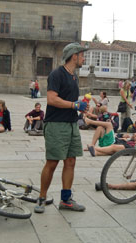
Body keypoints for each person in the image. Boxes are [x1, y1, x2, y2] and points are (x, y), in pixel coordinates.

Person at [34, 42, 88, 213]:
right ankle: (42, 198)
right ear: (74, 56)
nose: (83, 58)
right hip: (56, 124)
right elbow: (51, 99)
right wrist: (74, 105)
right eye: (82, 55)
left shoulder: (74, 76)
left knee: (71, 161)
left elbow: (71, 102)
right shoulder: (57, 74)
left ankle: (66, 200)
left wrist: (81, 107)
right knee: (52, 162)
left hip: (71, 124)